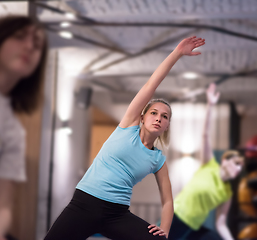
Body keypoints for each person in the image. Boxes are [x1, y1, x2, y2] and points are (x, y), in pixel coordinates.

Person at [44, 36, 205, 240]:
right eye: (154, 113)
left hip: (116, 214)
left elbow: (167, 201)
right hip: (84, 204)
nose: (158, 118)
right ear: (143, 116)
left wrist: (164, 230)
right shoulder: (128, 126)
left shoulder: (158, 160)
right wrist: (177, 53)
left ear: (166, 126)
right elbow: (150, 86)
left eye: (164, 117)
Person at [0, 1, 48, 240]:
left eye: (37, 45)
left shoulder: (12, 131)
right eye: (19, 37)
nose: (29, 46)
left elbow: (1, 204)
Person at [168, 83, 244, 240]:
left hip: (193, 226)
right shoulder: (209, 165)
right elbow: (205, 135)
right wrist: (210, 105)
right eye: (236, 163)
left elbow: (221, 223)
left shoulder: (227, 192)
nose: (238, 169)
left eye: (241, 167)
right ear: (225, 160)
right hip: (176, 216)